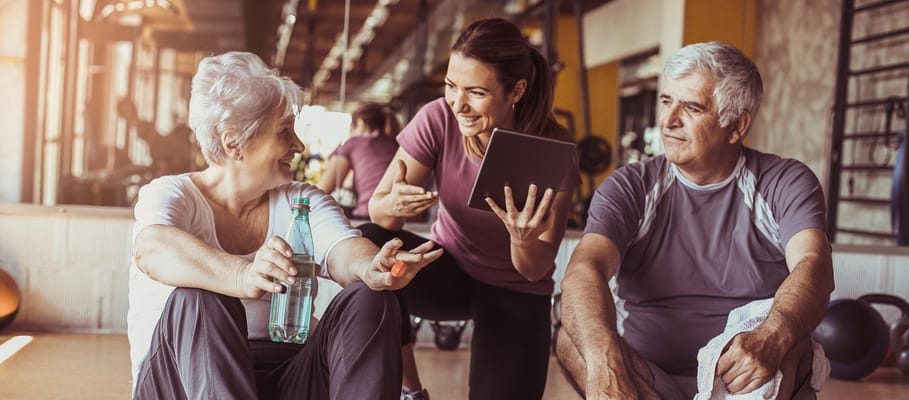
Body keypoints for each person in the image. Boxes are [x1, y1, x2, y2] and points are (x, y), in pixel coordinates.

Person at [126, 51, 443, 400]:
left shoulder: (301, 200)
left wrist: (371, 266)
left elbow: (343, 250)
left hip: (287, 372)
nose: (299, 145)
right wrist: (242, 276)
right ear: (234, 142)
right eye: (284, 132)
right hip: (181, 379)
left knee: (372, 296)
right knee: (198, 296)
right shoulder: (172, 193)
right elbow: (152, 247)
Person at [554, 41, 835, 400]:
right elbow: (584, 269)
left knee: (793, 343)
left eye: (691, 107)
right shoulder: (632, 186)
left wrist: (773, 334)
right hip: (650, 379)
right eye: (667, 101)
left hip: (744, 377)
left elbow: (813, 263)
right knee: (573, 340)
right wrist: (604, 359)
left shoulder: (783, 181)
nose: (669, 121)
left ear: (736, 125)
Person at [359, 18, 581, 400]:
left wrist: (523, 239)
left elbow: (534, 269)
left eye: (475, 92)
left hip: (516, 292)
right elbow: (381, 217)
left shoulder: (552, 147)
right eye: (450, 86)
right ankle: (411, 391)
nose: (457, 104)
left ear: (517, 90)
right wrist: (392, 206)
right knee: (369, 244)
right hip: (444, 272)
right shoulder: (437, 119)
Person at [317, 102, 401, 220]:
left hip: (371, 216)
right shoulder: (397, 144)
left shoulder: (354, 143)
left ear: (360, 123)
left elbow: (322, 190)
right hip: (408, 217)